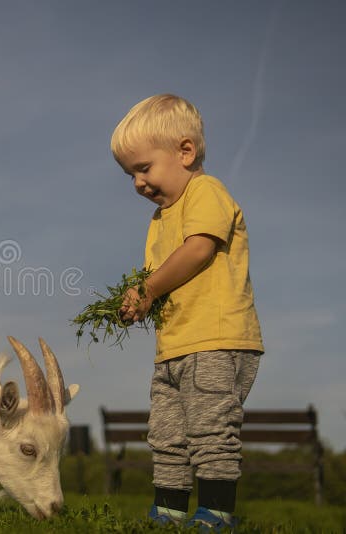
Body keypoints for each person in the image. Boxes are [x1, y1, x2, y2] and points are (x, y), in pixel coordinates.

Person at [111, 94, 264, 531]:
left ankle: (216, 511)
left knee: (210, 429)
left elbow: (198, 250)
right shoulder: (160, 219)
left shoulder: (206, 192)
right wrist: (139, 300)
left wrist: (148, 289)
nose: (138, 183)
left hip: (216, 339)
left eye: (144, 168)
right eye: (130, 174)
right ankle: (169, 511)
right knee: (167, 434)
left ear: (185, 152)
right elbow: (162, 280)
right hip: (174, 347)